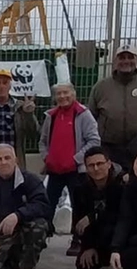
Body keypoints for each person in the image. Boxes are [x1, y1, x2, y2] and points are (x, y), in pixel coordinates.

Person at [39, 82, 101, 248]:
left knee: (78, 206)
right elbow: (43, 141)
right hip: (54, 170)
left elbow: (94, 140)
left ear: (73, 94)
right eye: (59, 94)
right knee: (47, 205)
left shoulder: (83, 114)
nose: (62, 97)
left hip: (76, 171)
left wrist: (76, 159)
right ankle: (40, 237)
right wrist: (47, 158)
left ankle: (78, 240)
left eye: (66, 93)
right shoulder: (50, 116)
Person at [88, 44, 137, 170]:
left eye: (130, 57)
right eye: (122, 58)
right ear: (115, 61)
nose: (126, 61)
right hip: (109, 147)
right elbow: (91, 117)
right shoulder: (101, 87)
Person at [0, 68, 39, 176]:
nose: (1, 86)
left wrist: (29, 115)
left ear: (10, 86)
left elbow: (33, 133)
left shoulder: (20, 107)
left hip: (13, 161)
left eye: (5, 83)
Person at [73, 147, 125, 269]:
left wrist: (93, 216)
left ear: (109, 164)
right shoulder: (80, 188)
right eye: (91, 165)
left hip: (118, 234)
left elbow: (120, 214)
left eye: (100, 164)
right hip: (97, 235)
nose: (96, 169)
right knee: (84, 267)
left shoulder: (122, 183)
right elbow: (78, 221)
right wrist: (88, 246)